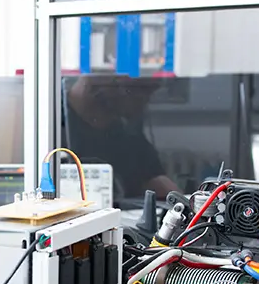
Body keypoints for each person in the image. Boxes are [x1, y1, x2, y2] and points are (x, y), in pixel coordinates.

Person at [63, 74, 182, 202]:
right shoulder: (49, 130)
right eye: (139, 91)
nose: (144, 101)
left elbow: (158, 182)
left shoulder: (126, 136)